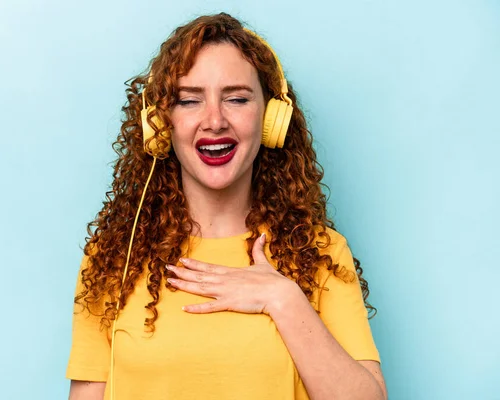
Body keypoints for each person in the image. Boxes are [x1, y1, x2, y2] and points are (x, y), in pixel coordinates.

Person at [66, 12, 387, 400]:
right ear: (160, 124)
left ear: (271, 118)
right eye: (188, 100)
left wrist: (282, 299)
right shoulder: (115, 255)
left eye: (236, 98)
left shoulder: (320, 252)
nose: (214, 120)